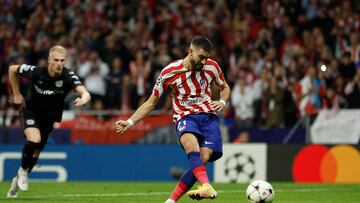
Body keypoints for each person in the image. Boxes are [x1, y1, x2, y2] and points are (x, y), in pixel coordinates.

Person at [115, 35, 231, 202]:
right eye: (201, 57)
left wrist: (221, 100)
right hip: (185, 117)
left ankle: (170, 201)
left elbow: (224, 87)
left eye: (207, 58)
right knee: (192, 147)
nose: (204, 61)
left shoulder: (212, 67)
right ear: (190, 51)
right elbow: (150, 103)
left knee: (202, 158)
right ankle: (206, 185)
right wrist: (130, 121)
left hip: (208, 118)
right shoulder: (169, 72)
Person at [7, 45, 91, 198]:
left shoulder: (67, 76)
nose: (59, 63)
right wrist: (17, 94)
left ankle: (19, 178)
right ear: (49, 60)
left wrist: (84, 98)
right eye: (56, 60)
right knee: (34, 139)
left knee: (37, 151)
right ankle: (22, 172)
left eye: (62, 60)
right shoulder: (36, 71)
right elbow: (12, 69)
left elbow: (84, 91)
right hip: (31, 111)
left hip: (49, 118)